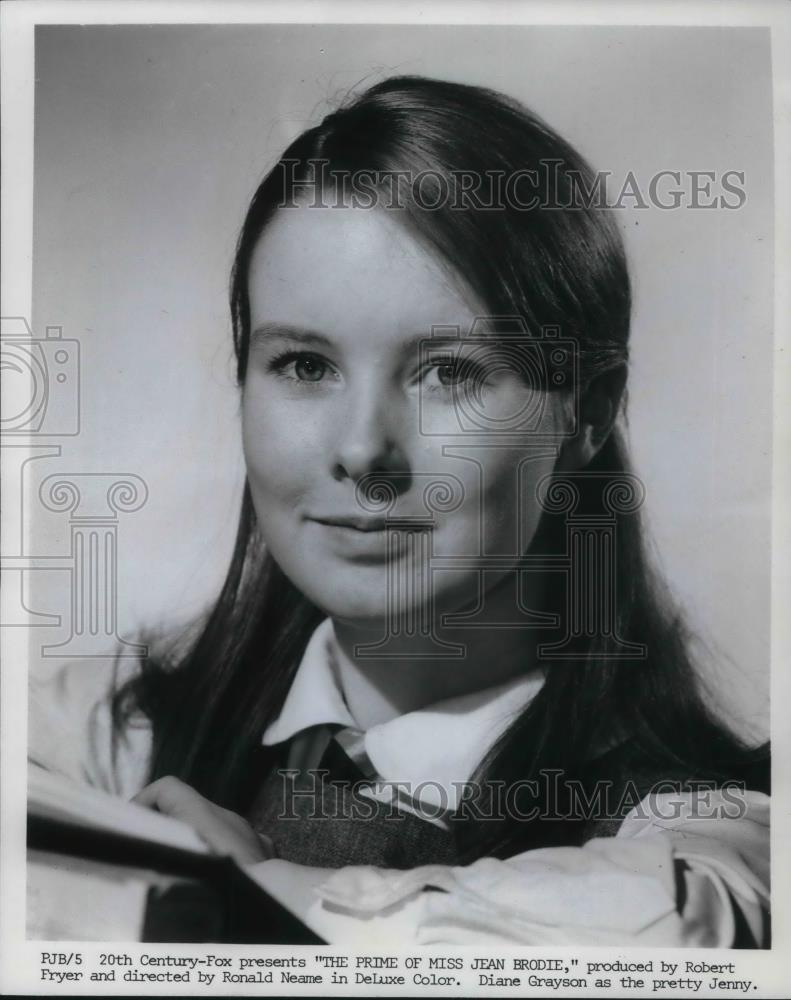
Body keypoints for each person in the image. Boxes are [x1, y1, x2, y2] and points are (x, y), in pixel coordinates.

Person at [30, 75, 770, 946]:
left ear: (588, 411)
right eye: (305, 365)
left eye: (449, 372)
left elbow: (680, 928)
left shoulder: (713, 832)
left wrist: (258, 890)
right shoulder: (114, 735)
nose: (361, 450)